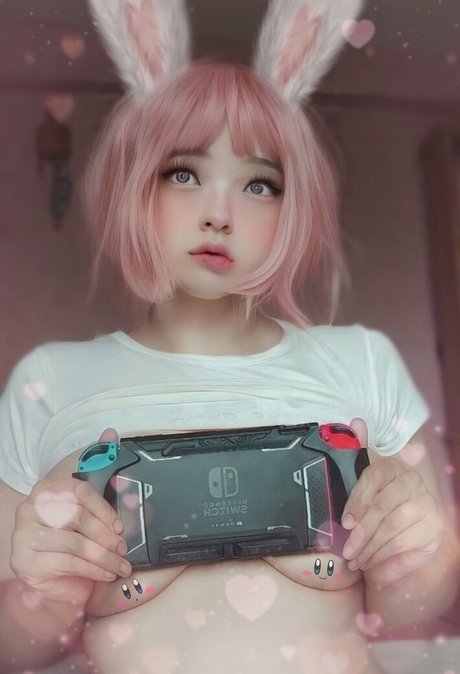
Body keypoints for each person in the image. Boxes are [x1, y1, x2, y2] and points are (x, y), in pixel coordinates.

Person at [0, 1, 459, 672]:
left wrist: (421, 552)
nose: (219, 214)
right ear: (134, 181)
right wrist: (40, 600)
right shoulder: (47, 383)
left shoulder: (365, 363)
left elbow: (418, 604)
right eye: (183, 173)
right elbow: (12, 648)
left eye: (260, 184)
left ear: (295, 205)